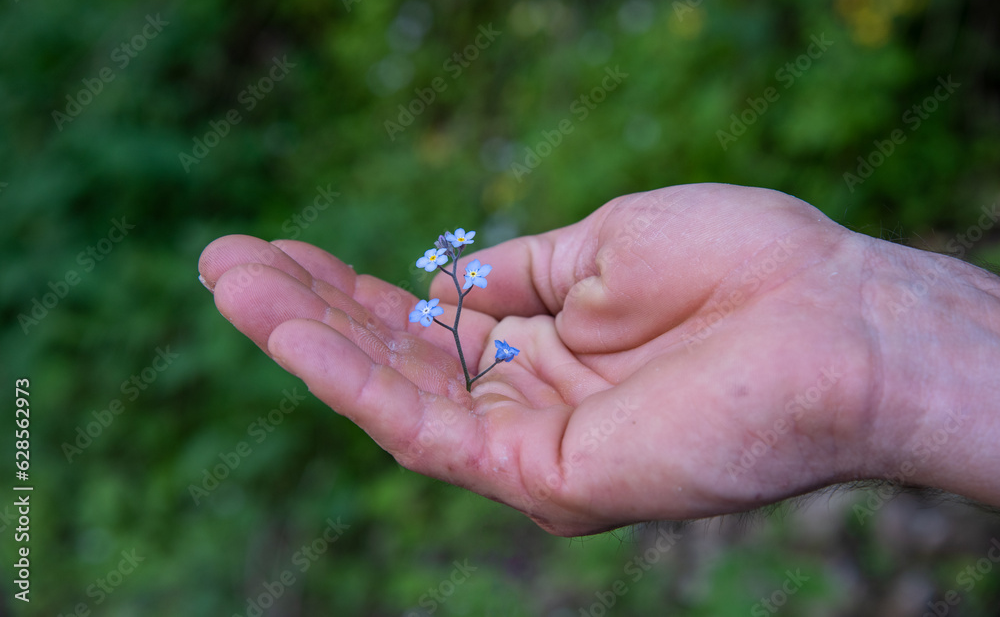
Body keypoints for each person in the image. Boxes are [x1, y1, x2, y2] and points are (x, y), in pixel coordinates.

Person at [198, 183, 1000, 537]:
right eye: (462, 267)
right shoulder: (473, 304)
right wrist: (889, 340)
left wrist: (876, 329)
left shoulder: (477, 302)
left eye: (463, 266)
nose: (465, 271)